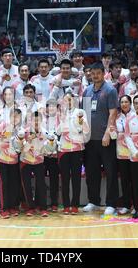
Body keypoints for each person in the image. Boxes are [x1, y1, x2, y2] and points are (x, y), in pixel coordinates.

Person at [82, 62, 119, 216]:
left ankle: (111, 203)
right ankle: (94, 201)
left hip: (106, 139)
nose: (95, 75)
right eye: (92, 73)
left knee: (111, 172)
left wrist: (107, 134)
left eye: (98, 72)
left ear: (103, 73)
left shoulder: (110, 90)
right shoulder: (87, 91)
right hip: (90, 139)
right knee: (92, 172)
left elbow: (113, 113)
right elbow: (83, 114)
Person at [57, 91, 90, 215]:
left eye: (70, 100)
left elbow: (86, 130)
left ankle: (75, 205)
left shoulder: (81, 113)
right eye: (66, 100)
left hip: (77, 149)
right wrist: (62, 120)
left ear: (74, 101)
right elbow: (58, 132)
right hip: (64, 150)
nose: (68, 102)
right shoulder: (61, 113)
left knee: (76, 178)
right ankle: (66, 205)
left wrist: (82, 122)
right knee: (65, 179)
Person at [0, 108, 22, 219]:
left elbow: (21, 146)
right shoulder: (2, 126)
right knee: (4, 184)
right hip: (2, 160)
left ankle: (13, 207)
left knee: (14, 184)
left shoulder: (20, 129)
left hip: (14, 160)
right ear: (9, 116)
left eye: (17, 116)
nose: (15, 118)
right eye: (13, 116)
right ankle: (3, 209)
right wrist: (1, 139)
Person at [19, 111, 48, 217]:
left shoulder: (44, 132)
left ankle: (43, 208)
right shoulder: (24, 132)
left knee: (41, 184)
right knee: (26, 185)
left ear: (41, 121)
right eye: (34, 120)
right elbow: (22, 149)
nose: (36, 122)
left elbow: (46, 148)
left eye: (38, 120)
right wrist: (29, 141)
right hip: (25, 161)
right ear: (30, 121)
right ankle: (30, 208)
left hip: (39, 161)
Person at [116, 95, 134, 215]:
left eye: (126, 102)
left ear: (130, 103)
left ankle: (136, 205)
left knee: (135, 180)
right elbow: (114, 134)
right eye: (122, 102)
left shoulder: (135, 115)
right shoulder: (117, 117)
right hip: (121, 153)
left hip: (134, 153)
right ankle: (127, 205)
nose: (124, 104)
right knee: (125, 180)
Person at [43, 99, 60, 212]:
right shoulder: (42, 121)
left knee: (54, 180)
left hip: (55, 156)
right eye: (50, 106)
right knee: (41, 180)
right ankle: (42, 203)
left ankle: (54, 203)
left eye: (54, 106)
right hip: (43, 156)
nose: (52, 108)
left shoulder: (61, 121)